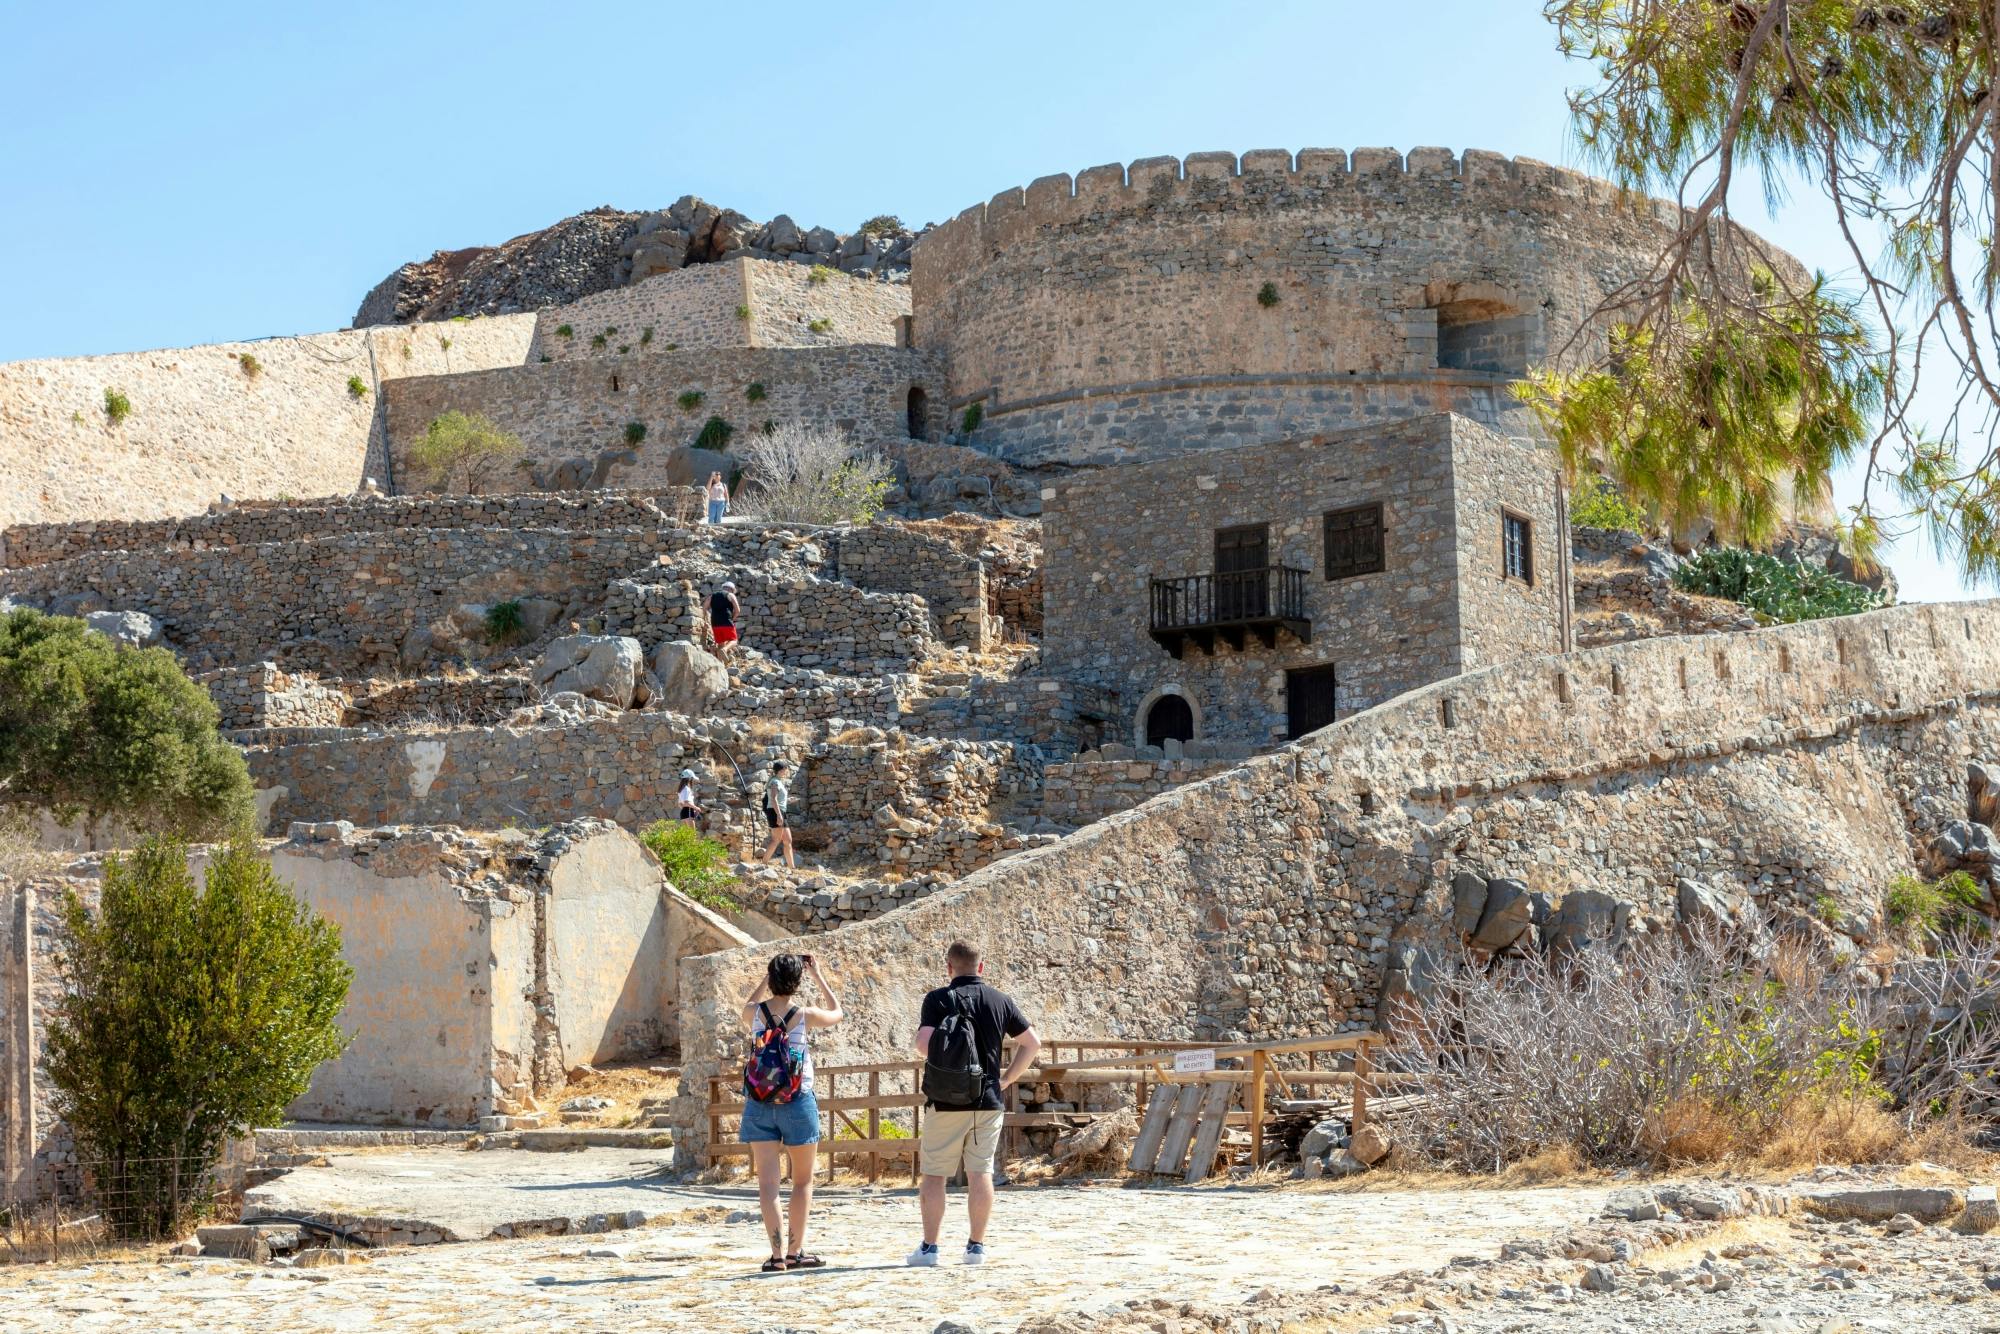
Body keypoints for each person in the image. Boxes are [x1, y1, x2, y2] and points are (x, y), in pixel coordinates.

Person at [907, 940, 1040, 1267]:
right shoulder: (1000, 1001)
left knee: (935, 1175)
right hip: (988, 1099)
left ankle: (929, 1249)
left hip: (945, 1101)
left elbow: (923, 1046)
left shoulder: (937, 999)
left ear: (949, 967)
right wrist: (1007, 1078)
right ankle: (975, 1248)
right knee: (980, 1172)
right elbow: (1032, 1044)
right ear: (981, 967)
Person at [739, 952, 843, 1271]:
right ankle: (796, 1252)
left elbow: (745, 1006)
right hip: (797, 1100)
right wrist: (818, 975)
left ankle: (776, 1256)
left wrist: (762, 980)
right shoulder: (805, 1015)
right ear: (797, 982)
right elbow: (838, 1013)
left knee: (768, 1185)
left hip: (759, 1102)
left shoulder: (754, 1014)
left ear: (771, 979)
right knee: (802, 1182)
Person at [761, 760, 795, 868]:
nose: (787, 771)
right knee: (776, 840)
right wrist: (779, 815)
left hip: (780, 811)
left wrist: (788, 801)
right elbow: (773, 799)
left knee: (788, 840)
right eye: (786, 769)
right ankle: (763, 864)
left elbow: (778, 799)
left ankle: (792, 868)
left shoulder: (778, 781)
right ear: (781, 770)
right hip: (776, 812)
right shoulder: (775, 782)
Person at [709, 581, 740, 662]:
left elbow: (704, 607)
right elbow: (737, 610)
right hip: (727, 622)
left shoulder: (713, 595)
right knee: (734, 640)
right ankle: (725, 649)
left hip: (715, 623)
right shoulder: (730, 595)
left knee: (720, 644)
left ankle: (720, 666)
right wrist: (732, 619)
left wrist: (706, 618)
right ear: (732, 589)